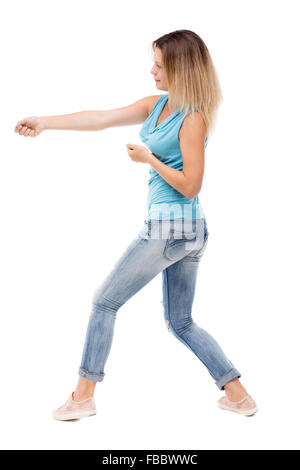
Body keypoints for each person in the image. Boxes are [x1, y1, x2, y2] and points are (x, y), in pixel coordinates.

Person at [14, 29, 258, 419]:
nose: (152, 70)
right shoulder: (156, 105)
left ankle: (82, 397)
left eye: (160, 65)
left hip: (170, 229)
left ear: (180, 69)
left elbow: (192, 186)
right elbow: (100, 118)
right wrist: (45, 121)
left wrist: (149, 159)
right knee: (181, 322)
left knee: (104, 301)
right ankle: (238, 395)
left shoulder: (192, 118)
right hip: (186, 231)